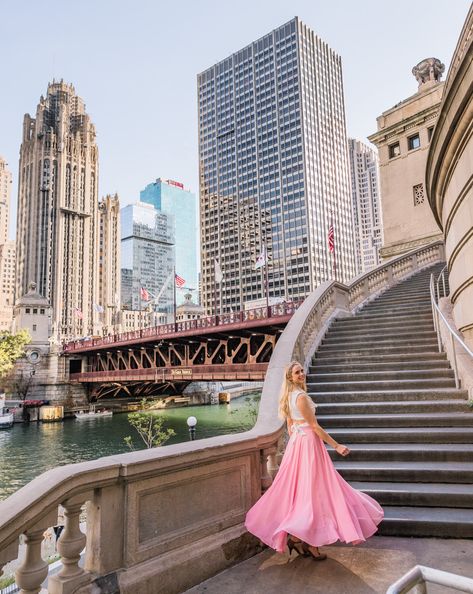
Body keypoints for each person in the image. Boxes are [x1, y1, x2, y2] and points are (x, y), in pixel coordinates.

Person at [245, 360, 384, 560]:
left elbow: (291, 425)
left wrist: (297, 439)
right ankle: (306, 541)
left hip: (298, 445)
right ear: (290, 377)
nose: (302, 374)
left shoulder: (288, 397)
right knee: (313, 493)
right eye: (297, 372)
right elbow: (315, 427)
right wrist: (336, 445)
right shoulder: (300, 397)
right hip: (309, 445)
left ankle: (300, 540)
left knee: (307, 493)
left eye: (302, 371)